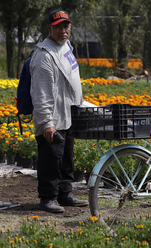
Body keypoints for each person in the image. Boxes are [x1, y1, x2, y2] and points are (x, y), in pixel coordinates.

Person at [30, 9, 89, 213]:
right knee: (50, 159)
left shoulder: (65, 47)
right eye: (58, 27)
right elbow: (41, 94)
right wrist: (47, 123)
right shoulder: (44, 56)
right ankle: (48, 197)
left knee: (66, 158)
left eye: (66, 26)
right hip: (52, 118)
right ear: (49, 28)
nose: (63, 30)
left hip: (68, 113)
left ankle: (65, 193)